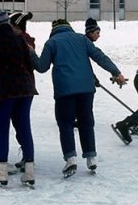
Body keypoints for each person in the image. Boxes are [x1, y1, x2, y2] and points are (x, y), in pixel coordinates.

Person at [37, 19, 128, 178]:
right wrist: (116, 72)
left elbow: (42, 67)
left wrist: (30, 53)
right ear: (69, 27)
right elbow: (100, 57)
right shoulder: (82, 39)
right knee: (86, 121)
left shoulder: (51, 42)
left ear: (54, 29)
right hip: (86, 89)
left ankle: (71, 158)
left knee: (65, 123)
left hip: (64, 89)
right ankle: (91, 157)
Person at [0, 13, 38, 187]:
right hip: (25, 88)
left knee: (2, 129)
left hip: (4, 90)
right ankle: (29, 170)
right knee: (24, 127)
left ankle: (2, 171)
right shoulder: (19, 40)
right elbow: (29, 64)